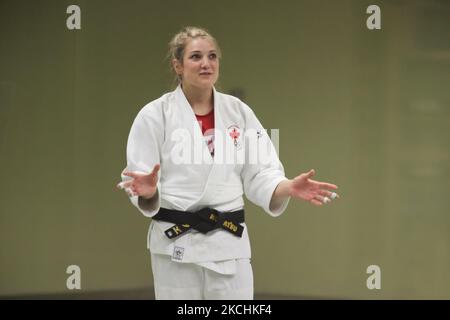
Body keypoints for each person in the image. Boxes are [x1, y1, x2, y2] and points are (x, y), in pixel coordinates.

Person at [117, 26, 339, 300]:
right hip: (175, 243)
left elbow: (262, 171)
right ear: (177, 65)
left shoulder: (239, 113)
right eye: (196, 57)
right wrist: (149, 192)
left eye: (212, 56)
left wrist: (287, 187)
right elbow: (137, 177)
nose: (206, 63)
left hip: (228, 243)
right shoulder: (154, 115)